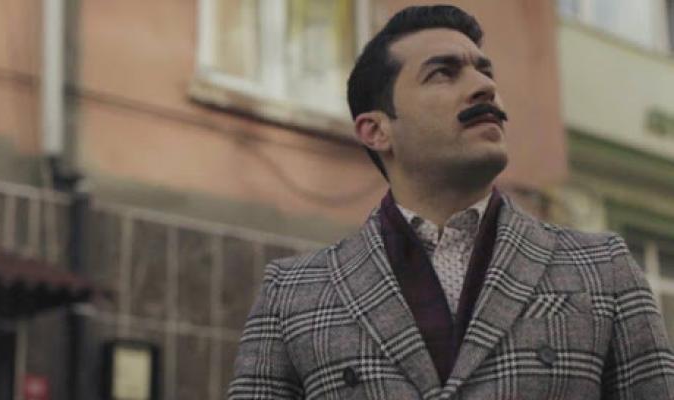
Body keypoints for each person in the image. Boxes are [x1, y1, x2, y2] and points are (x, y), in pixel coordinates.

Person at [228, 5, 674, 399]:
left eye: (485, 71)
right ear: (376, 130)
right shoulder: (293, 294)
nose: (484, 87)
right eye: (443, 72)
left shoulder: (604, 269)